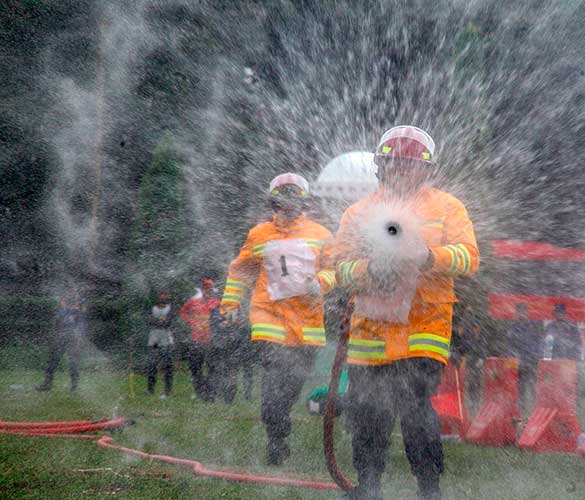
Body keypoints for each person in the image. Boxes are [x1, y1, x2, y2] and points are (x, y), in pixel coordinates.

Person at [329, 126, 479, 500]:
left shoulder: (447, 208)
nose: (402, 172)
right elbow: (340, 268)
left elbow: (469, 257)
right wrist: (369, 271)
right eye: (395, 164)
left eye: (410, 166)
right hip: (371, 329)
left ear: (426, 171)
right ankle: (369, 486)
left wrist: (431, 258)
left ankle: (429, 489)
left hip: (423, 327)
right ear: (381, 166)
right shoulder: (358, 213)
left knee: (415, 407)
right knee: (367, 413)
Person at [219, 172, 333, 465]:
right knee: (273, 382)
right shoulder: (258, 234)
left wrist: (320, 281)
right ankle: (275, 435)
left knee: (291, 385)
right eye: (282, 197)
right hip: (268, 317)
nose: (288, 203)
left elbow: (336, 270)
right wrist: (230, 303)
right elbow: (241, 270)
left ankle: (279, 425)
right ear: (273, 201)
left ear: (303, 201)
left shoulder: (321, 235)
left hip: (307, 325)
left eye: (293, 197)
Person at [36, 289, 87, 392]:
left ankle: (73, 386)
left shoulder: (77, 311)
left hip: (71, 339)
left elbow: (78, 324)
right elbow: (58, 322)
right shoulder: (64, 310)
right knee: (53, 361)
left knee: (72, 362)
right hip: (63, 338)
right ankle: (47, 384)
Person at [179, 279, 219, 401]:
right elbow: (182, 312)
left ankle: (210, 393)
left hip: (211, 340)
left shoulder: (216, 303)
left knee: (212, 368)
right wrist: (191, 322)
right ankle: (199, 392)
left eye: (210, 289)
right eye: (206, 288)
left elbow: (222, 317)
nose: (208, 291)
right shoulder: (194, 302)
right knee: (196, 368)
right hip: (196, 340)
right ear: (202, 290)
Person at [507, 302, 544, 418]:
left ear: (526, 313)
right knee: (521, 389)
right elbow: (510, 345)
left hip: (530, 362)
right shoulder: (513, 327)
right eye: (519, 312)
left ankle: (535, 411)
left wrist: (535, 357)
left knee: (533, 388)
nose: (521, 314)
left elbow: (537, 343)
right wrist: (514, 357)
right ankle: (521, 412)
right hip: (519, 364)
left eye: (523, 312)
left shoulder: (532, 327)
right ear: (516, 313)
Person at [146, 290, 178, 398]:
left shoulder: (171, 308)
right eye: (161, 294)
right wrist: (161, 321)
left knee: (168, 366)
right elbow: (149, 321)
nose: (163, 296)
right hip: (153, 340)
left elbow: (169, 322)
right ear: (158, 296)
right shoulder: (152, 308)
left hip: (167, 340)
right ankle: (150, 390)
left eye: (165, 294)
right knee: (152, 365)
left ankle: (167, 391)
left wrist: (159, 321)